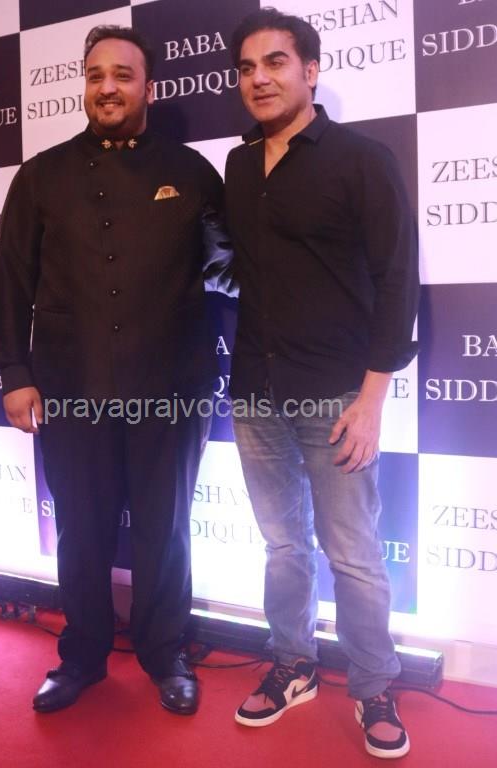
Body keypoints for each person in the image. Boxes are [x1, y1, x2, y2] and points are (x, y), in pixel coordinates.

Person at [0, 25, 233, 716]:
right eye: (96, 75)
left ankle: (165, 653)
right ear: (84, 84)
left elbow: (230, 270)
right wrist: (15, 371)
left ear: (148, 87)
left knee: (166, 529)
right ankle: (82, 656)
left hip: (172, 388)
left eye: (123, 75)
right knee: (81, 529)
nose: (108, 87)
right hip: (71, 387)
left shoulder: (193, 173)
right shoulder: (40, 175)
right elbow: (11, 280)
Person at [224, 8, 418, 759]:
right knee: (282, 545)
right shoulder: (239, 167)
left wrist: (371, 400)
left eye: (274, 62)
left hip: (337, 394)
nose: (259, 78)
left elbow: (397, 280)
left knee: (354, 555)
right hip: (254, 390)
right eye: (246, 68)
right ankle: (293, 664)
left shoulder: (362, 159)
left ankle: (373, 685)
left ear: (309, 70)